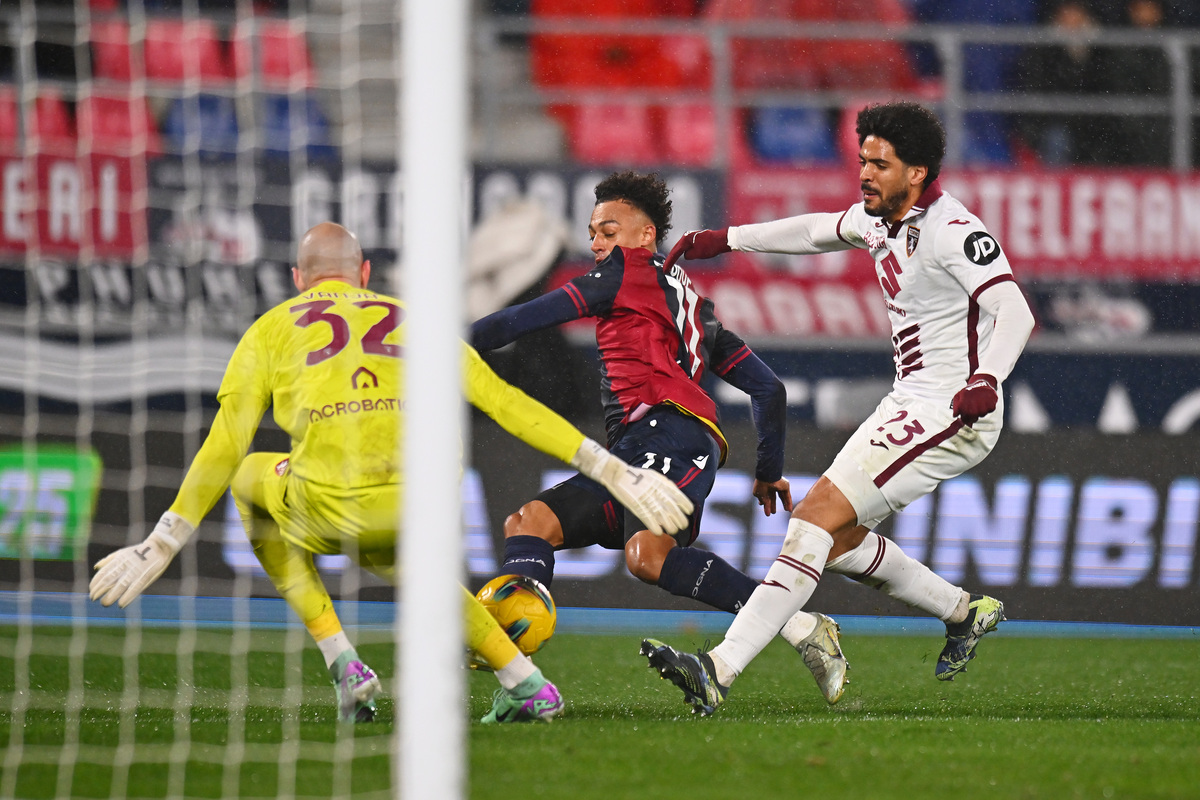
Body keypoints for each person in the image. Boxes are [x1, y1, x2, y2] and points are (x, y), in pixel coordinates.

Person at [88, 221, 694, 725]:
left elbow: (225, 441)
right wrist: (611, 468)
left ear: (299, 281)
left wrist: (163, 539)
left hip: (330, 503)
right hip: (423, 503)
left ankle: (342, 660)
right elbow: (508, 405)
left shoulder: (271, 329)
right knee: (409, 560)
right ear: (366, 277)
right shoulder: (420, 322)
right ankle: (525, 680)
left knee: (250, 473)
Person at [641, 101, 1036, 715]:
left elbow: (1014, 310)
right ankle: (964, 612)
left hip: (956, 409)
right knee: (837, 536)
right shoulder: (879, 221)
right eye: (862, 161)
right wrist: (724, 240)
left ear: (918, 172)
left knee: (813, 520)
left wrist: (986, 378)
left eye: (881, 164)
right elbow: (813, 230)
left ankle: (718, 667)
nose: (866, 174)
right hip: (911, 400)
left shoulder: (955, 231)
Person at [470, 171, 851, 705]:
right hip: (638, 448)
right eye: (593, 232)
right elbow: (768, 389)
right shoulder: (694, 303)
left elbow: (520, 319)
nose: (597, 243)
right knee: (530, 524)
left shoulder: (624, 272)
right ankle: (515, 668)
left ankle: (797, 625)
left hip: (672, 434)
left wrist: (455, 341)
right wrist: (768, 470)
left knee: (647, 554)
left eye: (609, 230)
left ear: (645, 237)